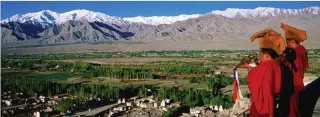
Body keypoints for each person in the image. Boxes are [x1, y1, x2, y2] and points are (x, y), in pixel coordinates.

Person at [244, 29, 285, 117]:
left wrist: (250, 70)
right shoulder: (277, 64)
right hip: (273, 101)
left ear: (266, 54)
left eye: (260, 55)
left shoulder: (264, 67)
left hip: (262, 104)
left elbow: (252, 82)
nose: (259, 57)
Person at [280, 23, 309, 117]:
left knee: (291, 110)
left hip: (292, 85)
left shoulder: (295, 54)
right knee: (296, 108)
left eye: (288, 43)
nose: (286, 45)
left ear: (292, 41)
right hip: (296, 85)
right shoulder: (302, 51)